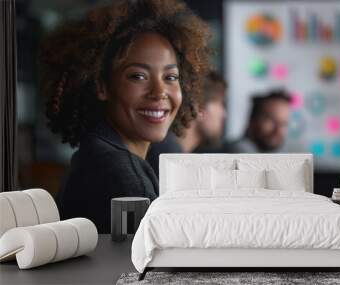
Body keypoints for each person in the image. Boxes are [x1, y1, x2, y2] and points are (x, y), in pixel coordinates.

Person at [41, 0, 210, 233]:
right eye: (138, 76)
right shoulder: (124, 179)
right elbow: (148, 267)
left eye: (170, 77)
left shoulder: (98, 154)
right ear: (102, 86)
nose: (159, 92)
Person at [146, 71, 226, 176]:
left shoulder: (170, 151)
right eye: (219, 103)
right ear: (200, 109)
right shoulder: (169, 156)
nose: (224, 114)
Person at [223, 89, 291, 153]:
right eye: (272, 121)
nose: (278, 130)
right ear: (252, 120)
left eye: (283, 123)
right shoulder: (239, 151)